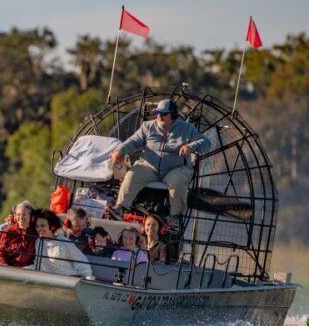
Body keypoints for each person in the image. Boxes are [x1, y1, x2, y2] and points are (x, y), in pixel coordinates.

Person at [108, 98, 211, 229]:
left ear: (172, 115)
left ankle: (175, 217)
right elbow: (132, 141)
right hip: (148, 166)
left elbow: (206, 142)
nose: (159, 116)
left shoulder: (187, 128)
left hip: (174, 169)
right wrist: (119, 151)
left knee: (178, 181)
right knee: (132, 175)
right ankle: (120, 208)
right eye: (158, 113)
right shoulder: (147, 126)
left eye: (163, 114)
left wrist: (191, 147)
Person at [28, 209, 92, 277]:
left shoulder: (64, 242)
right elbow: (38, 265)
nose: (39, 229)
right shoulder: (38, 242)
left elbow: (83, 264)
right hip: (51, 280)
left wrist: (87, 279)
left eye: (42, 226)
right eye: (37, 226)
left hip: (70, 279)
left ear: (52, 226)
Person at [0, 200, 37, 267]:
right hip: (9, 270)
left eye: (24, 214)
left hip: (29, 271)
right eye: (18, 214)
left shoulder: (35, 234)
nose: (21, 217)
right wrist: (4, 266)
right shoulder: (8, 232)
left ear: (31, 216)